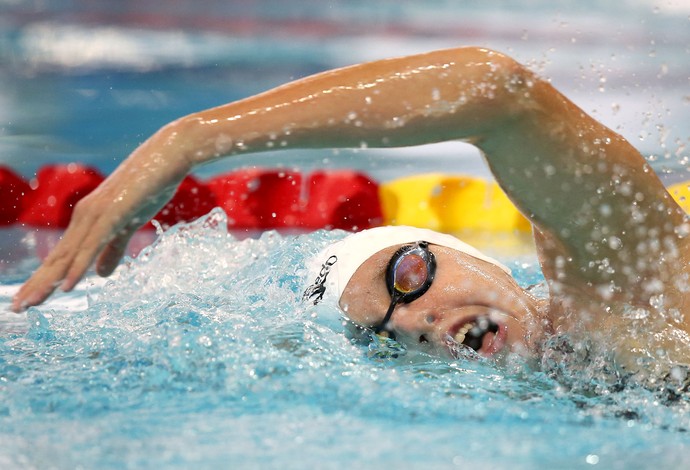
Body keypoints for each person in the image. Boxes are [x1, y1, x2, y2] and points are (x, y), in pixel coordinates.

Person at [10, 47, 690, 376]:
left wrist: (192, 138)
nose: (418, 323)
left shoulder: (616, 288)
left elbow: (497, 93)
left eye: (408, 276)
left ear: (473, 254)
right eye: (383, 337)